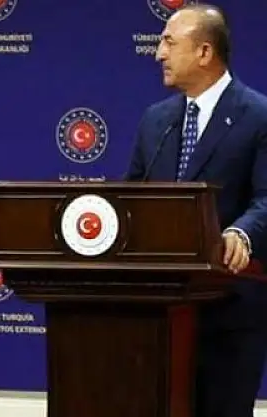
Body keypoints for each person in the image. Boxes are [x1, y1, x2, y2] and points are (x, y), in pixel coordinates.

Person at [125, 4, 267, 416]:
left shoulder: (258, 116)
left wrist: (241, 232)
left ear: (205, 52)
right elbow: (131, 197)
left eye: (169, 42)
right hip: (157, 313)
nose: (159, 53)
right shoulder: (156, 120)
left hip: (229, 308)